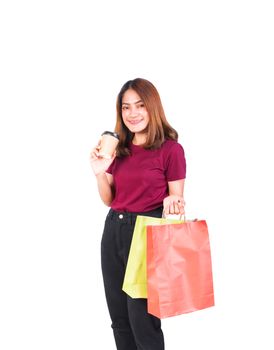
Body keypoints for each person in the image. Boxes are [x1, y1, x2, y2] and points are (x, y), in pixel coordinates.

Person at [90, 78, 186, 350]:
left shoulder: (170, 150)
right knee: (119, 319)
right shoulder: (118, 149)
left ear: (152, 107)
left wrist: (174, 201)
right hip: (113, 231)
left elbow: (177, 195)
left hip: (147, 234)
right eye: (126, 107)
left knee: (142, 320)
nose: (132, 113)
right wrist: (100, 173)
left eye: (140, 106)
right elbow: (110, 199)